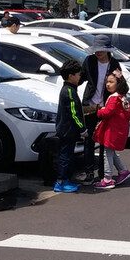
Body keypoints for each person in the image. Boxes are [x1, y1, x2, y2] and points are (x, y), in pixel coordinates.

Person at [80, 36, 123, 183]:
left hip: (107, 108)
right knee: (89, 140)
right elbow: (81, 78)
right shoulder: (89, 61)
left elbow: (120, 84)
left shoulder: (114, 64)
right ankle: (89, 173)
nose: (98, 52)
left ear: (107, 50)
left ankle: (103, 173)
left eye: (101, 49)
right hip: (90, 106)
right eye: (96, 49)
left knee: (105, 142)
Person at [92, 72, 130, 189]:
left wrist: (98, 111)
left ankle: (107, 178)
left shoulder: (114, 98)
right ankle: (122, 171)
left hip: (112, 130)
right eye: (107, 82)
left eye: (111, 82)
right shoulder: (122, 97)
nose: (108, 84)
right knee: (111, 152)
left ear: (118, 83)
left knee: (107, 153)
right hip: (119, 129)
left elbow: (107, 113)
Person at [54, 59, 86, 193]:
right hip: (67, 130)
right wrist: (82, 129)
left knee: (67, 155)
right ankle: (60, 181)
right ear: (71, 76)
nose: (80, 77)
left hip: (67, 130)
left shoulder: (70, 89)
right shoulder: (69, 92)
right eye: (78, 75)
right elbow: (74, 113)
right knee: (65, 156)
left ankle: (65, 179)